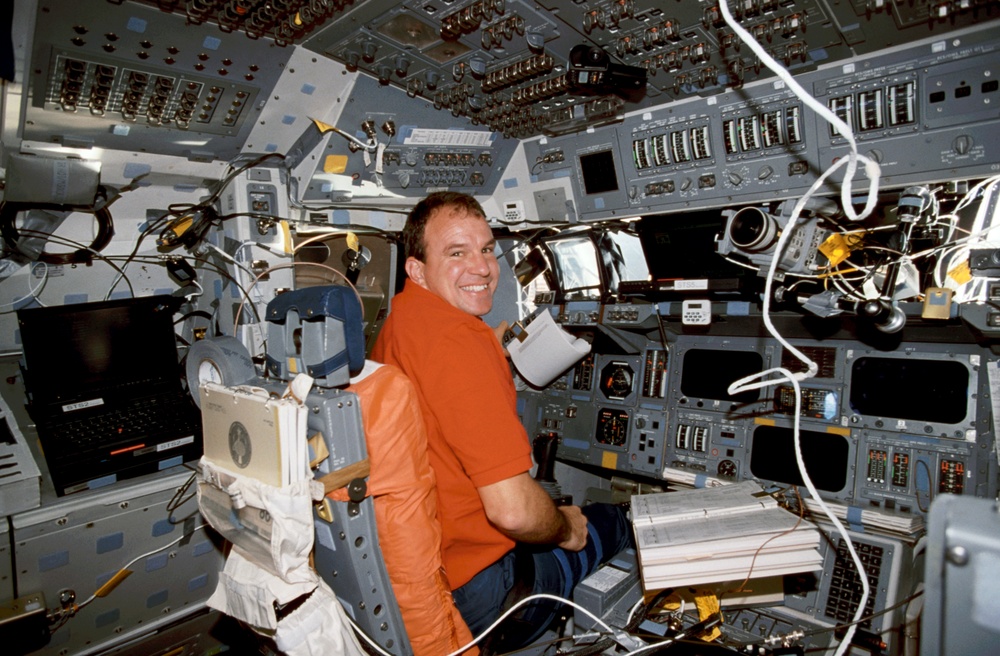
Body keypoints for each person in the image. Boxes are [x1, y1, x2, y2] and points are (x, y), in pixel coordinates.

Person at [372, 191, 631, 649]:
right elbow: (512, 512)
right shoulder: (461, 342)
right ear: (416, 269)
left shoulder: (400, 321)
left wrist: (488, 348)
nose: (482, 267)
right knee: (611, 520)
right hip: (485, 592)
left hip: (411, 571)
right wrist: (568, 528)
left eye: (487, 249)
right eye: (456, 253)